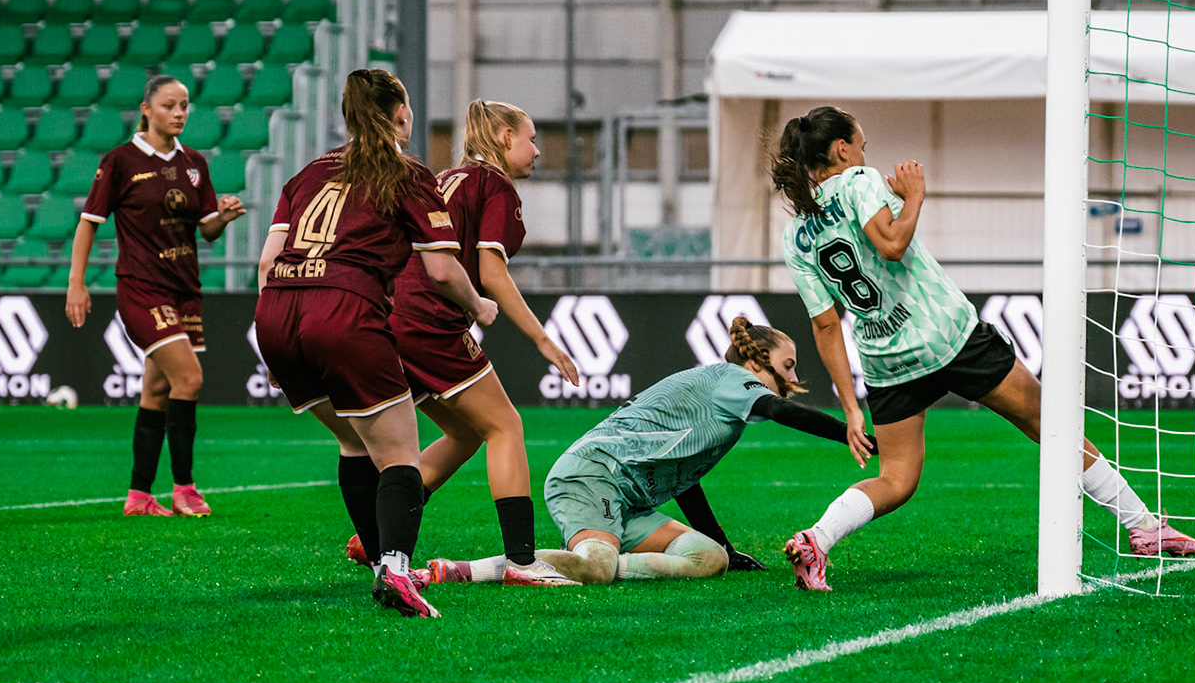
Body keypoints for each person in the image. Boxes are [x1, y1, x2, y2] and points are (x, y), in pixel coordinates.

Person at [769, 106, 1195, 591]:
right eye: (862, 146)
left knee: (896, 479)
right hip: (945, 335)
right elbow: (891, 244)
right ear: (842, 150)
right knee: (1049, 423)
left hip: (885, 360)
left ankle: (817, 539)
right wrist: (914, 196)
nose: (867, 154)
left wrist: (851, 408)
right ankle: (1143, 528)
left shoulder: (795, 234)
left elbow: (827, 327)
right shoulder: (859, 181)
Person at [253, 70, 520, 618]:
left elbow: (264, 263)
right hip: (342, 308)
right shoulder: (406, 173)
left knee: (355, 443)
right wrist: (479, 307)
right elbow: (443, 268)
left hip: (276, 310)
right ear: (401, 114)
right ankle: (396, 569)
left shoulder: (307, 173)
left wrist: (274, 343)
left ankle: (380, 564)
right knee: (398, 451)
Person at [352, 98, 582, 587]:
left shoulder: (445, 178)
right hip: (430, 321)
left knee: (466, 431)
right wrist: (543, 340)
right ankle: (521, 562)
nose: (537, 150)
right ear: (503, 138)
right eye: (531, 138)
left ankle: (375, 532)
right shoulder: (494, 185)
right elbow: (491, 272)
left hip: (394, 317)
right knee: (506, 427)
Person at [506, 316, 870, 586]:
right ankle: (467, 569)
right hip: (592, 476)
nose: (791, 378)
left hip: (627, 501)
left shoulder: (723, 402)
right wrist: (851, 433)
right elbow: (780, 410)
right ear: (757, 363)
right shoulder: (732, 379)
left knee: (708, 559)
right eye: (787, 366)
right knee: (597, 568)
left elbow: (685, 482)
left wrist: (726, 549)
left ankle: (596, 556)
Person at [66, 73, 246, 516]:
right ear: (146, 109)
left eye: (185, 105)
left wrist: (222, 217)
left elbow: (204, 231)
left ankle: (139, 495)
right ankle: (184, 488)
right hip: (142, 288)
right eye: (169, 105)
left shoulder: (195, 164)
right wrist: (77, 282)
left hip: (186, 289)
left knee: (158, 388)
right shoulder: (121, 161)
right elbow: (90, 221)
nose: (180, 113)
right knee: (189, 378)